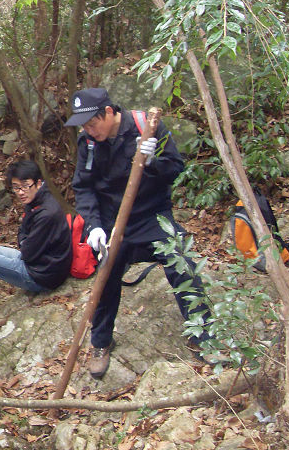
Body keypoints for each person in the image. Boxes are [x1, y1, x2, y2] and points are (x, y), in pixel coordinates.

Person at [66, 88, 211, 379]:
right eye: (84, 126)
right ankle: (101, 341)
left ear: (108, 112)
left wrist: (151, 161)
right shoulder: (89, 142)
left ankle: (204, 334)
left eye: (92, 123)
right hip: (111, 221)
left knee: (183, 263)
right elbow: (84, 187)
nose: (88, 131)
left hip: (151, 214)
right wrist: (93, 225)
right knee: (106, 277)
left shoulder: (147, 126)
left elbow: (175, 168)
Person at [0, 160, 72, 292]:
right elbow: (23, 234)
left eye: (25, 186)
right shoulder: (36, 200)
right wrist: (25, 240)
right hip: (39, 263)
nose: (20, 192)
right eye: (16, 187)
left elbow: (27, 252)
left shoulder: (47, 213)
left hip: (43, 276)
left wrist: (24, 241)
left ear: (38, 183)